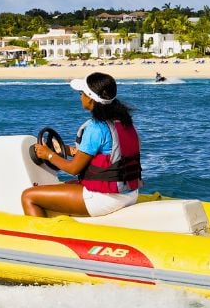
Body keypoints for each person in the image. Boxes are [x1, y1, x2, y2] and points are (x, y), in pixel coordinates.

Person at [22, 72, 142, 217]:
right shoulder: (124, 122)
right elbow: (109, 154)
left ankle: (40, 238)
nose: (80, 97)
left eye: (81, 93)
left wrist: (47, 154)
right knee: (67, 186)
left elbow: (73, 168)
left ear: (90, 99)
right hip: (130, 194)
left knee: (29, 196)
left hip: (106, 200)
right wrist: (67, 150)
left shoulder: (96, 128)